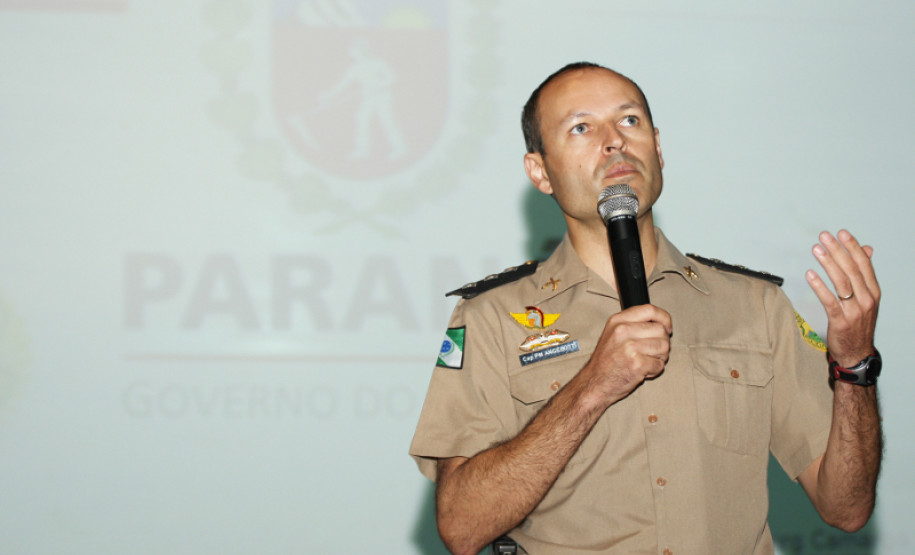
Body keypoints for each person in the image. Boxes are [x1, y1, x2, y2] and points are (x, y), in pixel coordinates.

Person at [409, 62, 882, 554]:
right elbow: (461, 528)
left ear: (657, 147)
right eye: (581, 128)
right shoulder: (490, 318)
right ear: (540, 171)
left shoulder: (755, 305)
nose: (614, 141)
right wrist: (593, 386)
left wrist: (854, 365)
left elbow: (845, 508)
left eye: (629, 121)